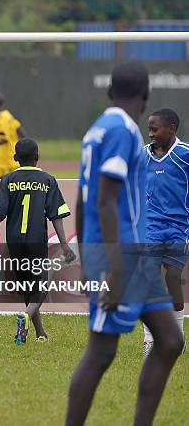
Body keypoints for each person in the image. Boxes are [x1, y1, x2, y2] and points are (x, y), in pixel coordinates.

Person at [65, 61, 183, 426]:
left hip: (133, 259)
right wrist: (110, 270)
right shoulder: (123, 131)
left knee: (169, 341)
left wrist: (88, 262)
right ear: (146, 95)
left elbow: (83, 199)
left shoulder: (96, 130)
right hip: (122, 259)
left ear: (109, 91)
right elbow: (102, 200)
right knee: (101, 352)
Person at [0, 138, 75, 344]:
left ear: (15, 158)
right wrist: (64, 244)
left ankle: (39, 332)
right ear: (37, 157)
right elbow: (56, 215)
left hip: (14, 240)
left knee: (28, 286)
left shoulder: (7, 180)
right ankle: (25, 316)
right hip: (36, 239)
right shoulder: (48, 180)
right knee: (41, 286)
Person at [142, 108, 187, 356]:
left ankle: (178, 337)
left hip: (180, 227)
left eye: (154, 129)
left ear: (171, 129)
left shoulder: (184, 155)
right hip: (150, 227)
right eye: (148, 128)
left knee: (172, 278)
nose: (150, 133)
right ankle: (150, 340)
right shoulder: (143, 156)